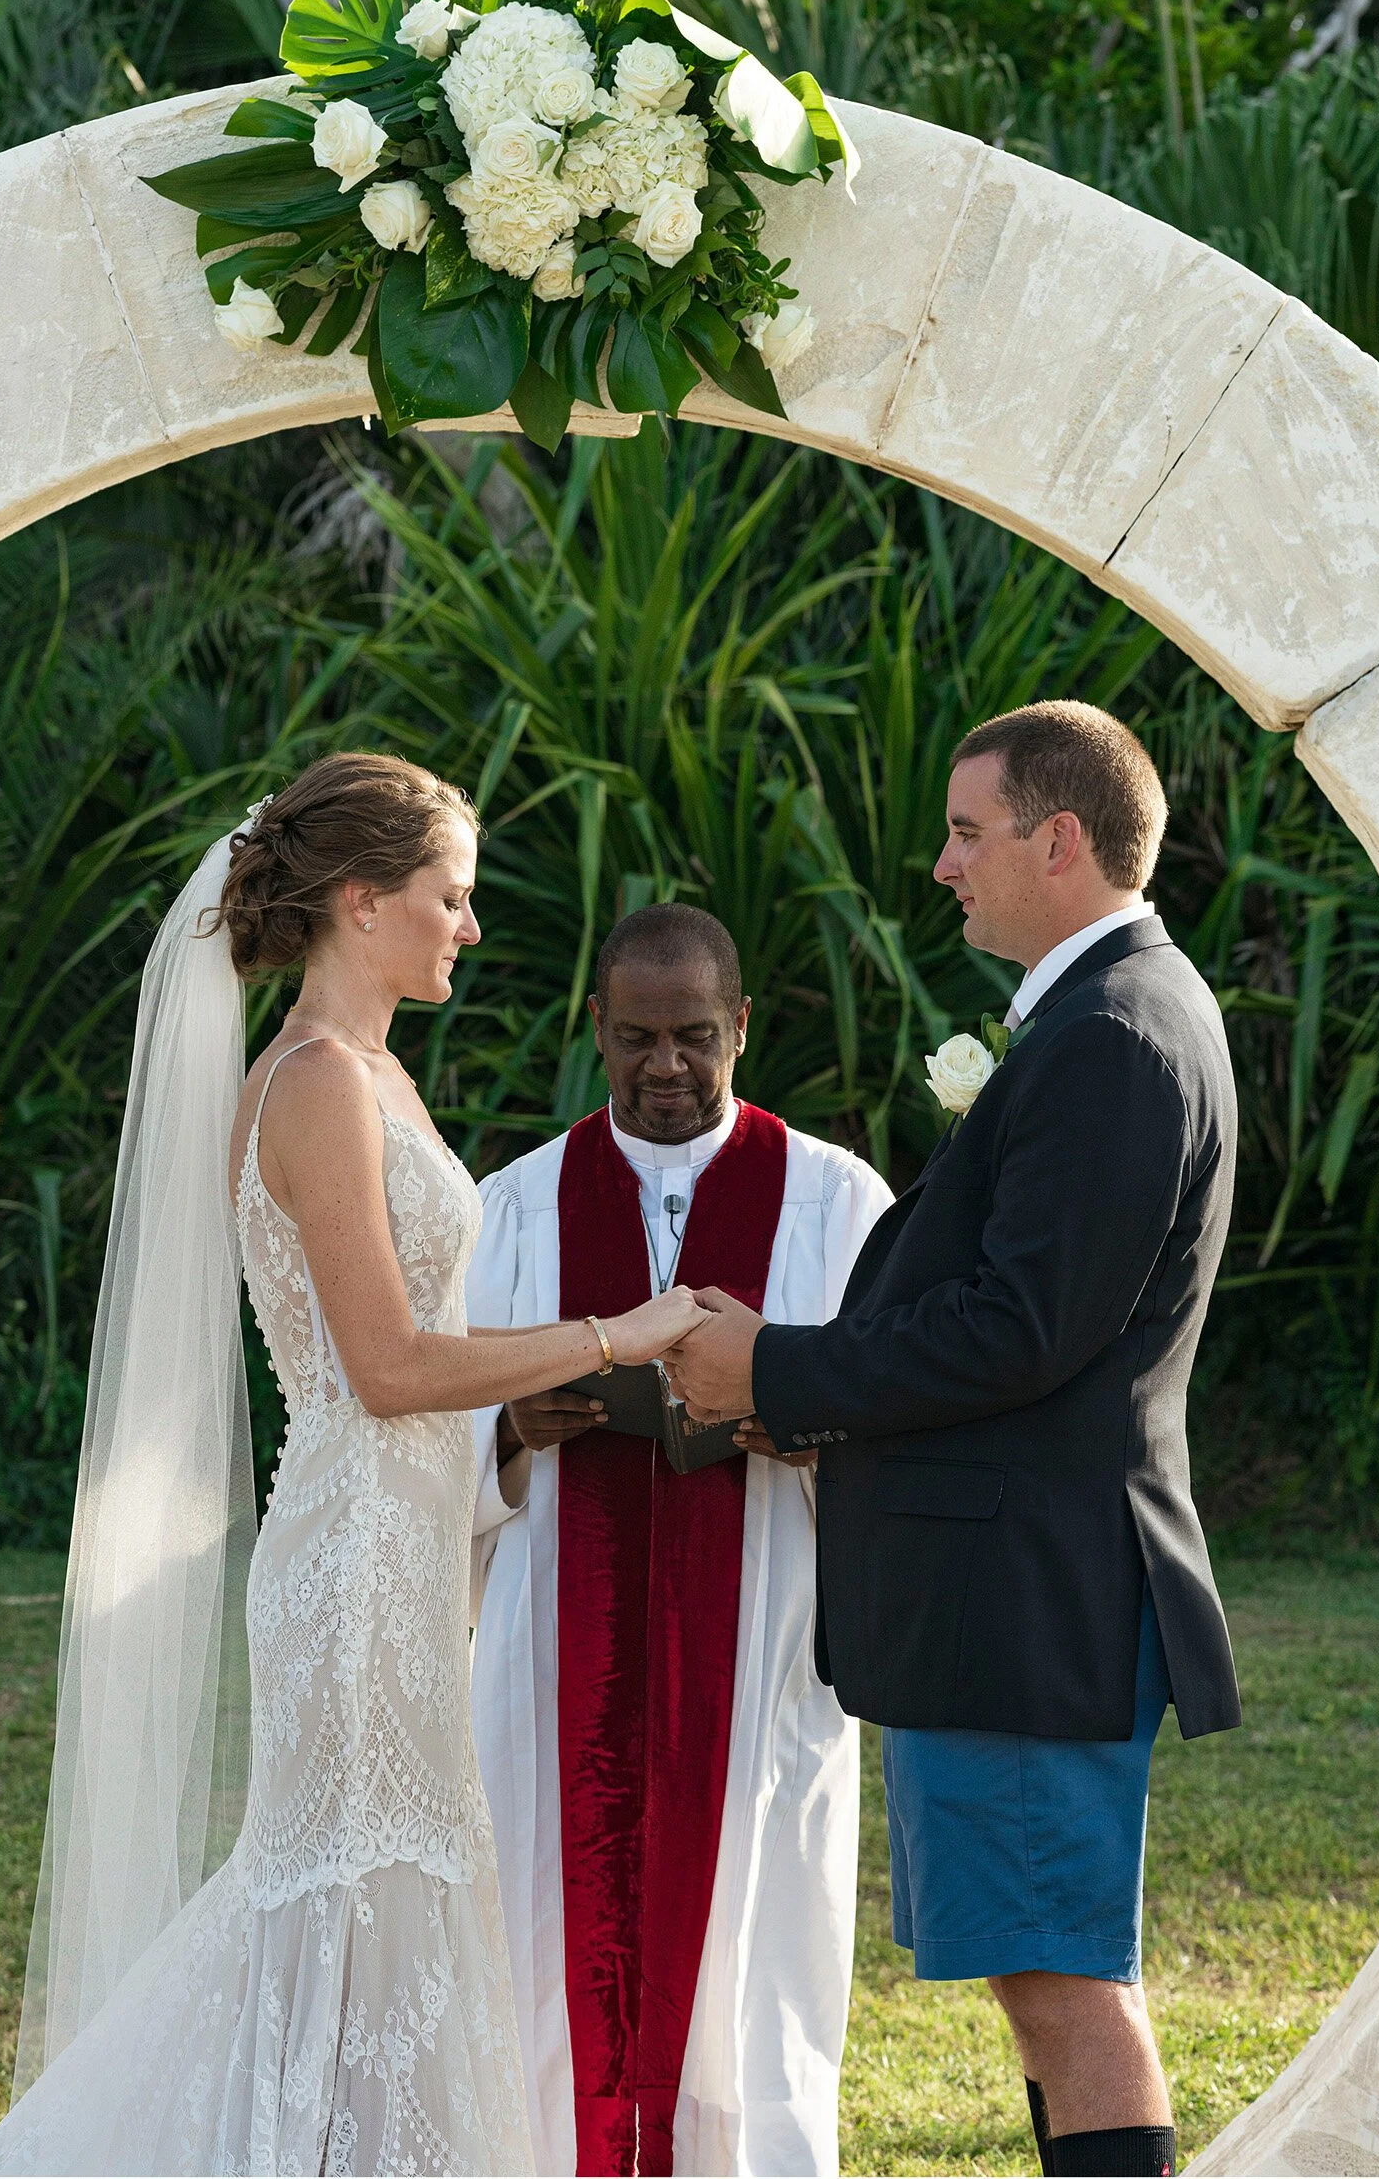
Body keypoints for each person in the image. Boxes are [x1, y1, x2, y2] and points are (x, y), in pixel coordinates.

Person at [0, 754, 704, 2179]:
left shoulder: (371, 1076)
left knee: (372, 1912)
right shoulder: (311, 1085)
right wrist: (623, 1331)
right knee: (339, 1905)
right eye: (449, 897)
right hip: (353, 1564)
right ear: (363, 902)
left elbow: (413, 1362)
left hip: (404, 1555)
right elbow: (386, 1370)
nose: (468, 929)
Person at [666, 702, 1242, 2179]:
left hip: (1029, 1597)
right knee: (1037, 1978)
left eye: (966, 832)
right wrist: (808, 1397)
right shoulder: (1097, 1016)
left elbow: (1017, 1330)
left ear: (1060, 841)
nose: (940, 865)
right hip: (1006, 1582)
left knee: (1060, 1984)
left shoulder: (1112, 1034)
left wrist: (774, 1370)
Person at [464, 904, 893, 2179]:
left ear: (742, 1025)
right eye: (637, 1036)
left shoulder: (833, 1201)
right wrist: (505, 1425)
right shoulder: (514, 1209)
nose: (666, 1066)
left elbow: (906, 1412)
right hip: (557, 1641)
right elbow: (422, 1414)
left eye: (695, 1036)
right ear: (590, 1027)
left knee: (752, 1957)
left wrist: (801, 1421)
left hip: (756, 1645)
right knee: (549, 1942)